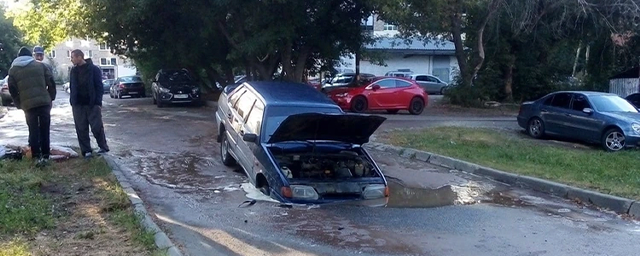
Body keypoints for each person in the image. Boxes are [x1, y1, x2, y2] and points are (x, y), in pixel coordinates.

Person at [7, 46, 56, 167]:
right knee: (45, 129)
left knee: (33, 130)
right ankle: (46, 155)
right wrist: (51, 97)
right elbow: (51, 82)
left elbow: (12, 89)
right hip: (44, 103)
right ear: (31, 56)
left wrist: (19, 103)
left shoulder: (13, 70)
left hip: (28, 105)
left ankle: (36, 156)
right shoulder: (40, 66)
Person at [69, 49, 109, 158]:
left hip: (92, 103)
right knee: (81, 128)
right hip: (78, 104)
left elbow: (99, 87)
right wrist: (72, 101)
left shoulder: (94, 69)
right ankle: (86, 150)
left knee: (97, 126)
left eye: (72, 57)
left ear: (79, 57)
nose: (71, 60)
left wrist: (98, 102)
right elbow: (72, 86)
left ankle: (103, 147)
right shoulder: (73, 71)